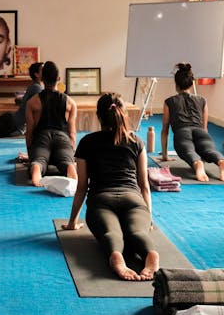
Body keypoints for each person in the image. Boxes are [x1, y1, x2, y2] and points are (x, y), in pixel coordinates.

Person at [62, 92, 159, 281]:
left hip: (101, 201)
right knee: (137, 232)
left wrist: (73, 222)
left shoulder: (87, 142)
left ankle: (116, 256)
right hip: (133, 200)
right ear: (122, 113)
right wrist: (148, 219)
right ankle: (150, 254)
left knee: (111, 232)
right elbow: (144, 186)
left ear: (99, 116)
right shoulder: (136, 142)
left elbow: (82, 187)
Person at [161, 63, 224, 182]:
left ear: (176, 85)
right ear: (191, 83)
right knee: (209, 150)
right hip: (200, 132)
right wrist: (202, 146)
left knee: (187, 150)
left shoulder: (169, 101)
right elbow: (205, 128)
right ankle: (221, 161)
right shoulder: (202, 100)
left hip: (182, 132)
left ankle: (197, 163)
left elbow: (165, 130)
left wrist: (164, 156)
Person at [25, 61, 77, 187]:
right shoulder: (70, 102)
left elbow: (29, 131)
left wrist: (31, 154)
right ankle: (70, 167)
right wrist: (71, 153)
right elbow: (72, 132)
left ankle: (37, 168)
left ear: (41, 79)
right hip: (62, 138)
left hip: (42, 137)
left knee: (39, 160)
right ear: (58, 79)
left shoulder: (32, 102)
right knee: (65, 160)